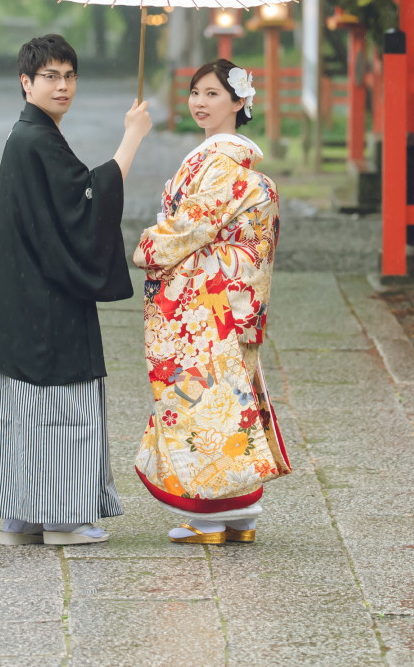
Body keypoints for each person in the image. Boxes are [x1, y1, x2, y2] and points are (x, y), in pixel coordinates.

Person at [0, 33, 153, 547]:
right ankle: (60, 519)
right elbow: (85, 203)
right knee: (56, 405)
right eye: (50, 76)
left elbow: (71, 202)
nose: (62, 86)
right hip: (44, 300)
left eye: (69, 75)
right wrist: (133, 137)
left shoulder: (30, 136)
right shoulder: (34, 138)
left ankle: (22, 516)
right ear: (25, 81)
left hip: (16, 297)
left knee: (18, 405)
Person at [132, 58, 291, 545]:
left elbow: (190, 227)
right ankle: (239, 512)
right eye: (195, 92)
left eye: (213, 95)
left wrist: (147, 248)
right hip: (228, 301)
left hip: (204, 305)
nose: (200, 103)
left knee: (200, 398)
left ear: (240, 103)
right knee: (226, 395)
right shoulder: (225, 161)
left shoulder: (220, 164)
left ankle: (209, 513)